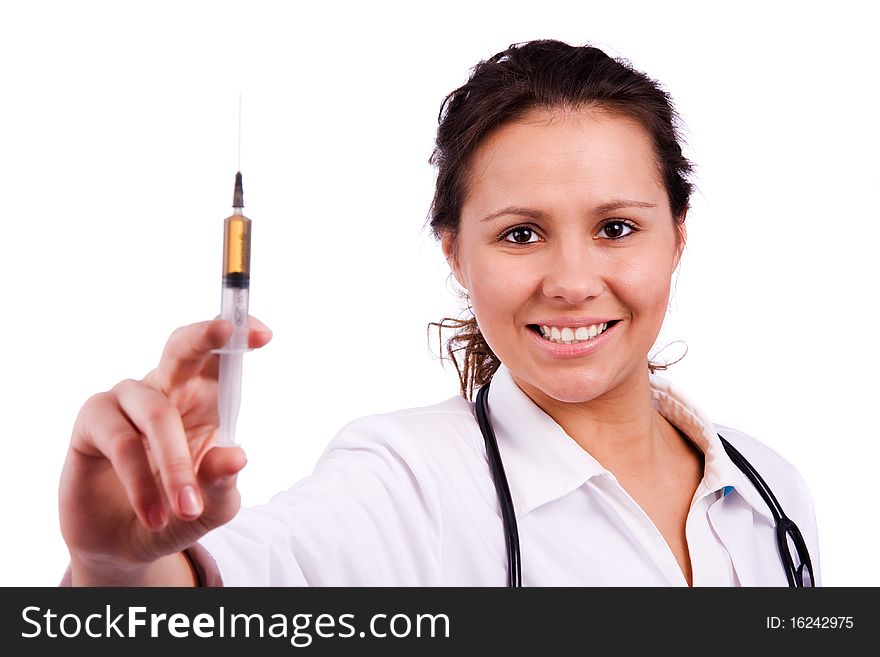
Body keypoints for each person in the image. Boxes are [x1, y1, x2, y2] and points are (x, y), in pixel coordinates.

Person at [59, 39, 820, 587]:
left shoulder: (770, 494)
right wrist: (113, 565)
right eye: (521, 234)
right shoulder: (403, 485)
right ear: (456, 253)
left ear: (678, 234)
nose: (572, 280)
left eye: (615, 228)